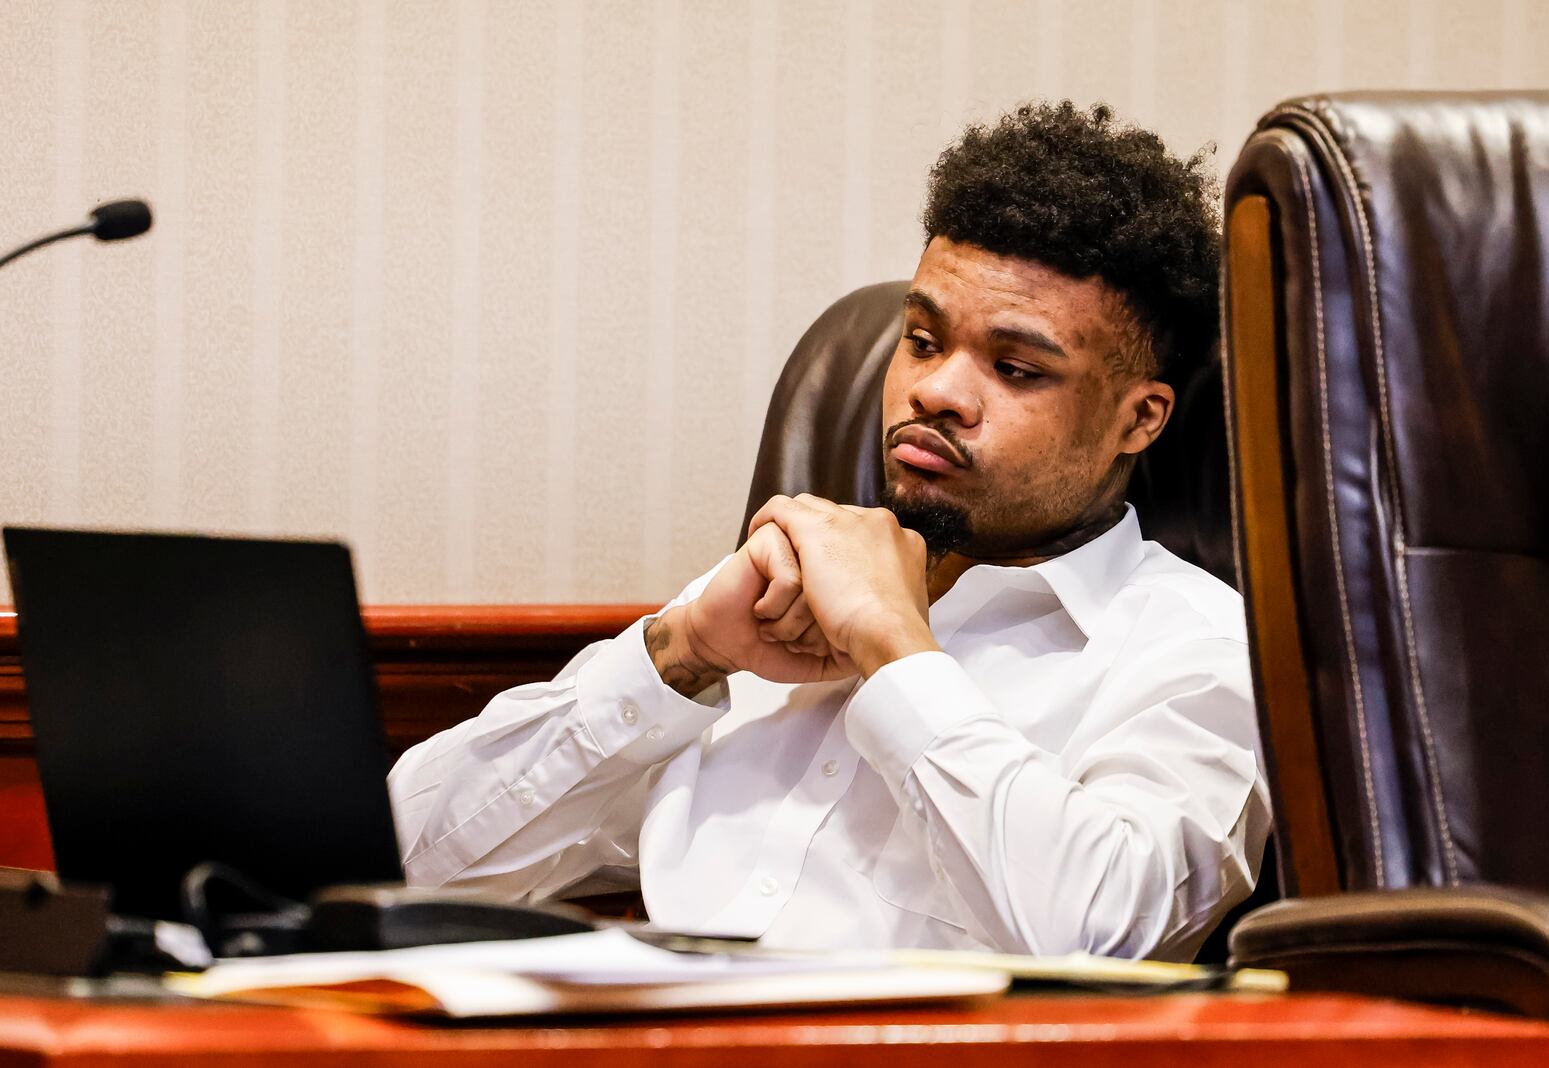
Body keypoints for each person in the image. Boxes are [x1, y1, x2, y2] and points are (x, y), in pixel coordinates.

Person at [388, 101, 1269, 962]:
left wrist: (896, 652)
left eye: (1012, 368)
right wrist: (680, 651)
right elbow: (412, 863)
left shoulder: (1200, 654)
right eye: (923, 341)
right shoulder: (771, 597)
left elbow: (1101, 942)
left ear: (1140, 419)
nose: (936, 393)